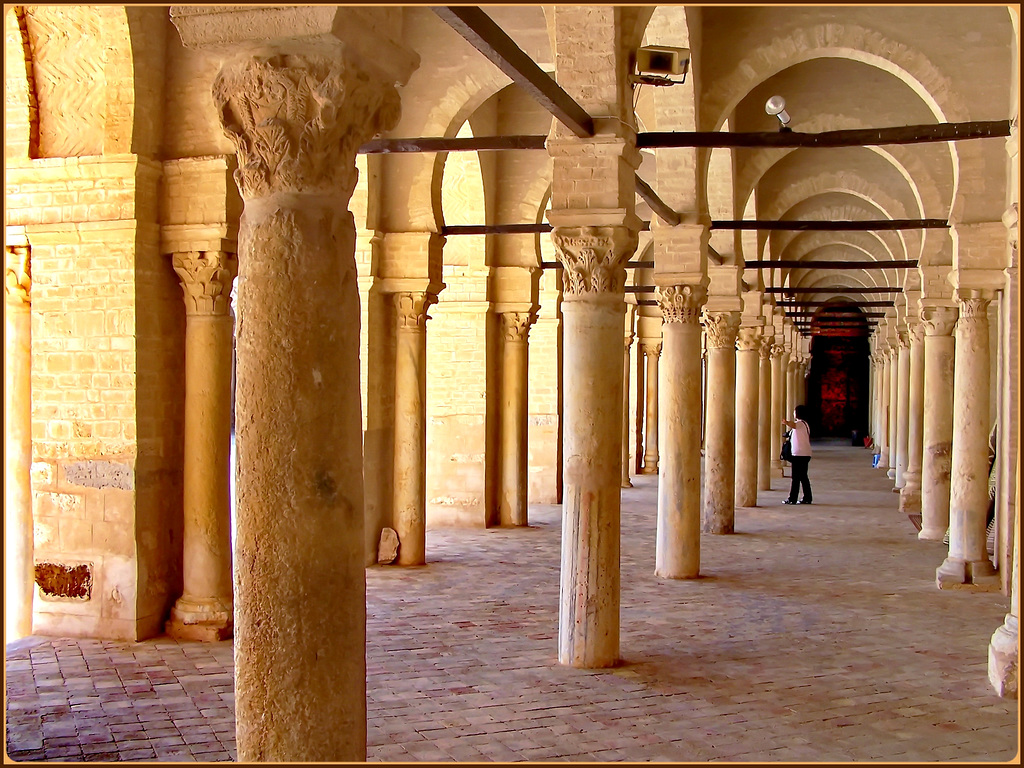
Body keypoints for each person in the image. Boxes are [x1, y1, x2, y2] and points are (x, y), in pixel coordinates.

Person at [782, 405, 812, 505]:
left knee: (796, 478)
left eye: (794, 412)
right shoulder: (805, 424)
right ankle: (807, 497)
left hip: (799, 454)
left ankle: (792, 498)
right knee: (803, 477)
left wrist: (786, 422)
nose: (793, 413)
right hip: (805, 454)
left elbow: (793, 425)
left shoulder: (800, 423)